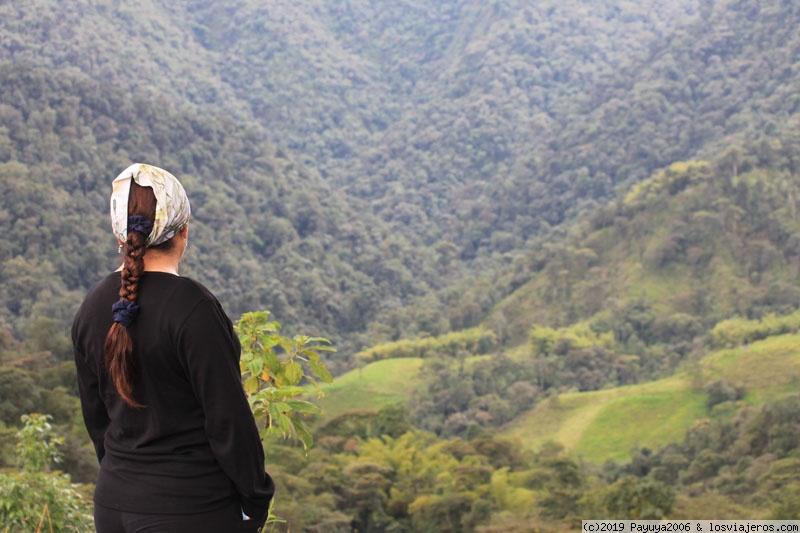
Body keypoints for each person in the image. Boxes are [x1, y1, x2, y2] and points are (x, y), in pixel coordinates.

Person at [72, 163, 275, 533]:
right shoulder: (193, 308)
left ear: (120, 235)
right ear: (183, 231)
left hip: (113, 504)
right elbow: (227, 417)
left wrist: (126, 480)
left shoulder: (92, 306)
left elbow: (96, 417)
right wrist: (256, 498)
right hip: (191, 507)